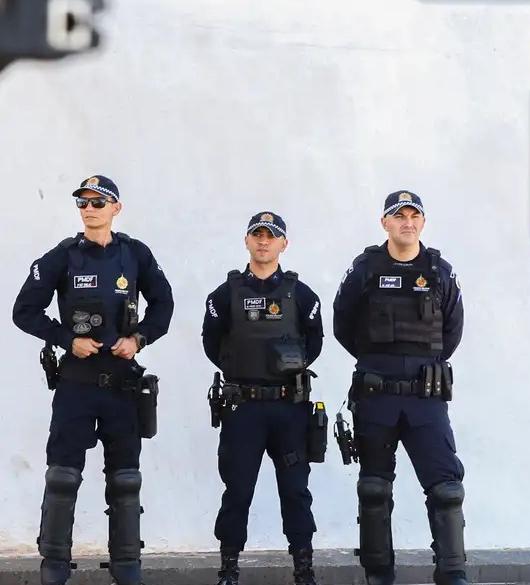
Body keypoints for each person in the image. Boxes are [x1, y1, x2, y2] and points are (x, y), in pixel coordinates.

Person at [12, 174, 175, 585]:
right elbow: (24, 310)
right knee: (62, 479)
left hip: (122, 386)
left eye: (98, 203)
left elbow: (164, 304)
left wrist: (138, 339)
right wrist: (67, 339)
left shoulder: (135, 255)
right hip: (77, 384)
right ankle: (53, 571)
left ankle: (126, 570)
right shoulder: (63, 256)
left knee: (125, 482)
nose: (89, 209)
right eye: (82, 202)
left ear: (115, 208)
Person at [333, 190, 467, 585]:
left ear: (422, 222)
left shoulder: (440, 271)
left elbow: (453, 329)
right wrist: (378, 362)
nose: (407, 222)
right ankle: (378, 576)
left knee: (446, 489)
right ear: (385, 223)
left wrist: (420, 365)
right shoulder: (365, 269)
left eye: (414, 216)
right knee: (374, 489)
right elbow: (343, 325)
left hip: (426, 399)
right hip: (377, 396)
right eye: (398, 215)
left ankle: (453, 573)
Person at [201, 212, 326, 585]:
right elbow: (212, 343)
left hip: (289, 408)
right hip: (244, 408)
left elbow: (314, 343)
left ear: (283, 244)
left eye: (271, 236)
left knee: (295, 490)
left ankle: (303, 568)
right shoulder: (225, 295)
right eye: (257, 235)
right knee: (238, 489)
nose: (263, 242)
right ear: (247, 241)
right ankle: (229, 568)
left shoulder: (302, 295)